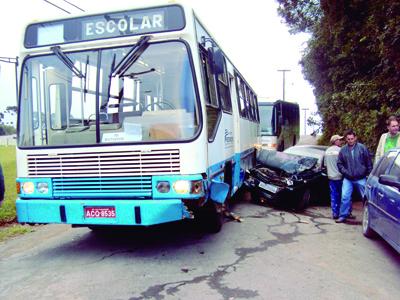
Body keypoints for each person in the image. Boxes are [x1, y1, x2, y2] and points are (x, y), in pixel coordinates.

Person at [336, 129, 372, 223]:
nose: (350, 140)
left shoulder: (362, 148)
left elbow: (368, 162)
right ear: (346, 139)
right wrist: (345, 172)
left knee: (366, 198)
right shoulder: (343, 150)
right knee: (345, 197)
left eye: (352, 138)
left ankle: (370, 218)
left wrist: (368, 173)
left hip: (361, 178)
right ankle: (343, 215)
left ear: (355, 138)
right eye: (348, 139)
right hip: (348, 178)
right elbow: (339, 164)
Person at [324, 134, 344, 219]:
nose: (341, 141)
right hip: (340, 177)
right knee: (342, 195)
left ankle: (335, 213)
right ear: (335, 141)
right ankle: (343, 213)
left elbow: (325, 165)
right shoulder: (341, 150)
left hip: (331, 177)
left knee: (333, 195)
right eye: (339, 140)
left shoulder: (327, 151)